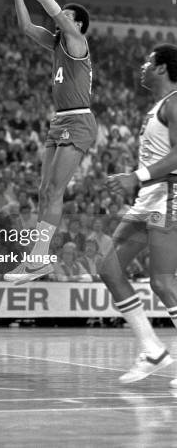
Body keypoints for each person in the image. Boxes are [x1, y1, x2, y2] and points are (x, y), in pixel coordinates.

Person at [0, 0, 96, 284]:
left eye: (66, 15)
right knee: (43, 191)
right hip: (60, 120)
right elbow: (25, 25)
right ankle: (37, 260)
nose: (59, 18)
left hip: (79, 119)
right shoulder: (56, 43)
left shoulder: (76, 41)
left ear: (78, 24)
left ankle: (38, 259)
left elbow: (48, 3)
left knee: (54, 190)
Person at [99, 44, 177, 385]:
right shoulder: (159, 106)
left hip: (169, 196)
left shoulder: (175, 102)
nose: (143, 66)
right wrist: (136, 180)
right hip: (149, 196)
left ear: (161, 68)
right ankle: (152, 349)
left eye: (148, 61)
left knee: (161, 281)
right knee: (108, 267)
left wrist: (137, 176)